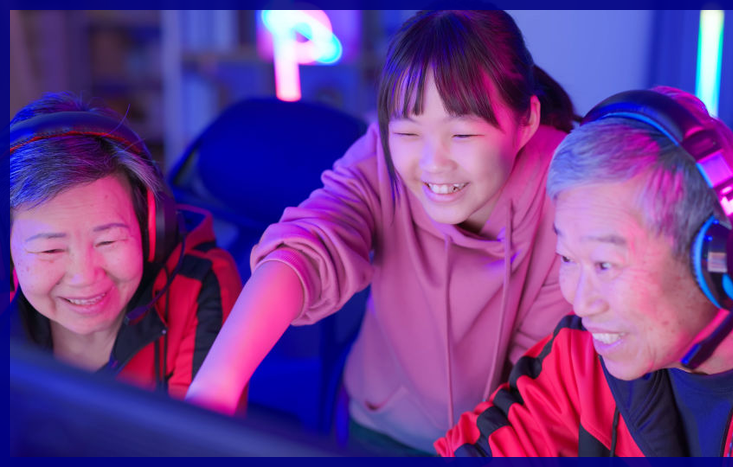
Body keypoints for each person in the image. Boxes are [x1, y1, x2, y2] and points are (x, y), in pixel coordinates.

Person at [186, 9, 577, 454]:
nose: (432, 164)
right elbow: (308, 245)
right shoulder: (380, 157)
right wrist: (215, 387)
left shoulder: (567, 195)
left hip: (505, 441)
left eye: (463, 135)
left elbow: (540, 385)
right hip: (380, 425)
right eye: (408, 132)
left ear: (526, 121)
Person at [435, 86, 733, 457]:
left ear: (722, 254)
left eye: (605, 265)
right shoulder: (582, 356)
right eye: (568, 258)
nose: (581, 302)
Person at [9, 92, 246, 408]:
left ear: (150, 230)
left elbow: (199, 437)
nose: (85, 277)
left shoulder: (199, 285)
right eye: (50, 250)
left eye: (108, 241)